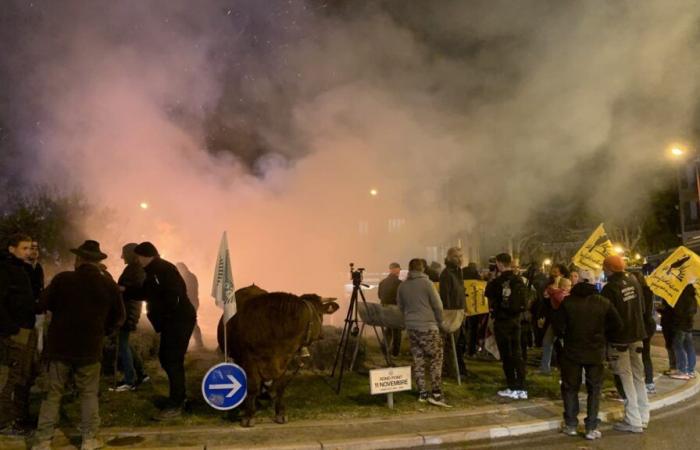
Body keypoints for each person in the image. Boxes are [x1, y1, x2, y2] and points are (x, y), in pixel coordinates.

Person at [31, 240, 124, 450]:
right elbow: (119, 317)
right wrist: (103, 332)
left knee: (52, 395)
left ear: (79, 259)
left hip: (59, 347)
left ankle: (43, 441)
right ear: (98, 262)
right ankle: (89, 439)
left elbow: (41, 304)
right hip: (90, 348)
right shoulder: (108, 284)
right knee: (88, 394)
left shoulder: (63, 279)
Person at [552, 270, 623, 440]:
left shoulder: (568, 302)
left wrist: (566, 336)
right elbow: (617, 323)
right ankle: (591, 427)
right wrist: (603, 334)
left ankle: (571, 424)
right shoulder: (603, 302)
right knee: (594, 389)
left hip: (572, 351)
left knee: (570, 388)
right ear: (593, 283)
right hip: (595, 351)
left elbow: (558, 326)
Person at [133, 242, 196, 420]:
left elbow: (173, 296)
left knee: (171, 359)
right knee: (168, 359)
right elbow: (147, 292)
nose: (137, 260)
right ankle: (178, 397)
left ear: (146, 255)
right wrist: (124, 291)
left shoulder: (162, 269)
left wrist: (165, 316)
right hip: (175, 320)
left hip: (178, 320)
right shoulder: (155, 270)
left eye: (138, 257)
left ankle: (176, 404)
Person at [600, 255, 649, 433]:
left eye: (604, 268)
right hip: (637, 336)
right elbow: (642, 308)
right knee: (638, 377)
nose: (603, 271)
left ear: (609, 269)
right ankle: (643, 416)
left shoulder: (609, 289)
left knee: (626, 379)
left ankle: (633, 420)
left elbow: (607, 317)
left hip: (619, 339)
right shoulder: (634, 280)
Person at [397, 258, 450, 407]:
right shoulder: (428, 284)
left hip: (411, 328)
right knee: (435, 359)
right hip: (428, 327)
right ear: (423, 269)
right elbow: (438, 306)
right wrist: (441, 323)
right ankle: (436, 393)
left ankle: (422, 393)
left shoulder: (402, 286)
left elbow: (400, 307)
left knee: (418, 360)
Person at [0, 234, 37, 436]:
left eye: (30, 248)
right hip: (16, 331)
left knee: (25, 375)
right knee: (13, 377)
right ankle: (5, 422)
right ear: (11, 249)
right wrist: (11, 329)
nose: (29, 251)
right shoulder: (6, 270)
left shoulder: (23, 269)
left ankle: (19, 417)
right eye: (24, 248)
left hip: (26, 329)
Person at [486, 253, 527, 400]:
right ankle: (522, 387)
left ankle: (512, 386)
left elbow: (488, 293)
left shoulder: (498, 281)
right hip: (516, 321)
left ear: (499, 264)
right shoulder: (519, 280)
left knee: (506, 355)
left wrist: (492, 277)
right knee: (517, 353)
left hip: (502, 321)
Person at [112, 243, 149, 392]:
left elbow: (133, 289)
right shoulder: (135, 269)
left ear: (130, 254)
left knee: (123, 344)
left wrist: (116, 287)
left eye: (124, 253)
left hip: (128, 311)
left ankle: (129, 380)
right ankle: (141, 374)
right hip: (129, 310)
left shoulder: (135, 269)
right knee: (125, 342)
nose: (121, 257)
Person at [439, 247, 467, 377]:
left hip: (460, 311)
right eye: (456, 256)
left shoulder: (458, 272)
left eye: (461, 256)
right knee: (451, 344)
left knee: (459, 343)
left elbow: (460, 293)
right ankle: (450, 371)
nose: (460, 259)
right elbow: (446, 296)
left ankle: (460, 368)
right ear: (450, 257)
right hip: (452, 313)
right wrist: (448, 315)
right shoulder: (446, 274)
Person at [630, 271, 657, 393]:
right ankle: (649, 382)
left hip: (642, 326)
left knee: (639, 355)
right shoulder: (648, 291)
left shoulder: (637, 292)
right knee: (645, 354)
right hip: (648, 325)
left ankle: (642, 382)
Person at [668, 284, 697, 380]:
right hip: (689, 325)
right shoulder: (693, 298)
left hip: (681, 326)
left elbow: (678, 312)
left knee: (678, 346)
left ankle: (682, 370)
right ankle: (691, 370)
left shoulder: (682, 298)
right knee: (689, 347)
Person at [176, 262, 204, 349]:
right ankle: (198, 342)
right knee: (191, 322)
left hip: (190, 302)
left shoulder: (187, 277)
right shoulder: (190, 276)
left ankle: (198, 343)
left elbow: (187, 291)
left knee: (191, 322)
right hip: (192, 302)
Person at [378, 262, 402, 357]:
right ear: (396, 270)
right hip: (395, 310)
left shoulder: (382, 282)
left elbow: (380, 296)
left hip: (384, 310)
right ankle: (395, 353)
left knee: (388, 329)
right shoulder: (399, 283)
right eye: (399, 269)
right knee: (397, 330)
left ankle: (384, 347)